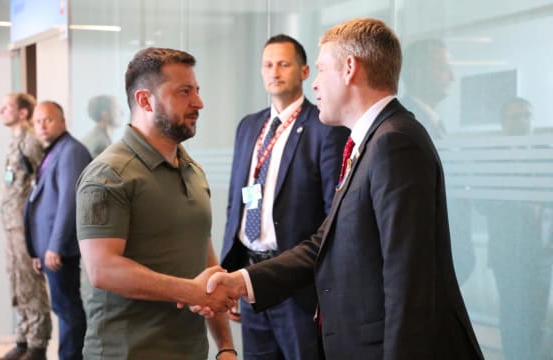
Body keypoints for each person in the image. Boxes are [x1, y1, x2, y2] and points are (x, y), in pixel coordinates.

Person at [205, 18, 485, 359]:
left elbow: (408, 282)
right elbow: (325, 242)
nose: (317, 85)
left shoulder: (394, 143)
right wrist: (243, 281)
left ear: (350, 68)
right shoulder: (370, 141)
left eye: (322, 70)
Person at [75, 47, 237, 360]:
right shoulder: (109, 174)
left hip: (190, 351)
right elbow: (102, 269)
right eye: (184, 92)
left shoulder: (192, 170)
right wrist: (189, 290)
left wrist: (226, 346)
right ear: (145, 100)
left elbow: (206, 265)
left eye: (197, 91)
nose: (198, 103)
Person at [220, 34, 349, 360]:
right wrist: (231, 274)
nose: (274, 71)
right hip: (251, 280)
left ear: (304, 72)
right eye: (267, 64)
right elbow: (237, 203)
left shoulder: (324, 126)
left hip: (298, 288)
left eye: (283, 64)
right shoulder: (249, 126)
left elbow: (332, 215)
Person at [477, 97, 552, 360]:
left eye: (526, 116)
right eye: (515, 116)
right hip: (509, 256)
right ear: (503, 123)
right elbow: (482, 203)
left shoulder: (544, 156)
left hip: (542, 254)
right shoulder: (493, 159)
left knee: (536, 318)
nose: (522, 121)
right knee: (513, 318)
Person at [401, 38, 475, 285]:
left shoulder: (434, 121)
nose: (452, 77)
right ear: (417, 71)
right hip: (426, 261)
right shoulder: (406, 121)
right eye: (443, 68)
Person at [25, 101, 92, 360]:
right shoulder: (54, 150)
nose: (42, 126)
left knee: (69, 310)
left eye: (48, 120)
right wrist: (37, 249)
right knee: (63, 307)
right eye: (37, 121)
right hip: (49, 248)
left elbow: (69, 201)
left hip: (60, 249)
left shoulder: (71, 151)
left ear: (63, 122)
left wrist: (55, 246)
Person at [0, 93, 52, 360]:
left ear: (22, 113)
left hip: (24, 226)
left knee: (30, 283)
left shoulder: (31, 142)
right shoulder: (16, 142)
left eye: (7, 107)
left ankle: (37, 344)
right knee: (16, 280)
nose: (1, 111)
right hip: (11, 224)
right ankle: (23, 339)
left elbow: (43, 186)